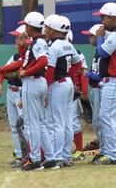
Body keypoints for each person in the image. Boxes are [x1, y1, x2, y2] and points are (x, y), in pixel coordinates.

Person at [0, 12, 58, 171]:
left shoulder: (37, 43)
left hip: (33, 82)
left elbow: (43, 61)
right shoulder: (38, 42)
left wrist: (26, 72)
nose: (25, 27)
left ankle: (36, 159)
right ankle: (50, 158)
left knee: (32, 124)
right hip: (39, 82)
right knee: (40, 123)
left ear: (30, 26)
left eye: (26, 25)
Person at [43, 15, 82, 168]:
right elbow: (78, 63)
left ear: (53, 30)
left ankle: (57, 156)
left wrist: (45, 91)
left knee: (55, 122)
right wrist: (69, 75)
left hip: (57, 84)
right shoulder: (67, 44)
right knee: (66, 121)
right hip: (67, 83)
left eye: (46, 27)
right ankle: (66, 156)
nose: (45, 30)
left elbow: (50, 71)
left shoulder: (54, 47)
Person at [0, 25, 29, 167]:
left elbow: (4, 69)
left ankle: (29, 154)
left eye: (18, 37)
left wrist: (5, 70)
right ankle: (19, 154)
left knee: (24, 125)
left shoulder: (30, 55)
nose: (16, 40)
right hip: (11, 91)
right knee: (14, 124)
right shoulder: (15, 56)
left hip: (23, 91)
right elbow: (2, 72)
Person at [91, 2, 116, 164]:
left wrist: (100, 36)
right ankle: (107, 150)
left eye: (104, 17)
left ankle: (112, 154)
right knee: (105, 117)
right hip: (109, 81)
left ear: (113, 18)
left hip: (113, 81)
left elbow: (102, 52)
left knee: (107, 117)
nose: (102, 20)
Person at [81, 24, 105, 155]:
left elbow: (102, 75)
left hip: (101, 88)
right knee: (98, 122)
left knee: (100, 121)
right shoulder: (97, 51)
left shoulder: (103, 52)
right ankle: (103, 147)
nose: (89, 38)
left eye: (91, 36)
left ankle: (106, 149)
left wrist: (88, 74)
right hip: (96, 89)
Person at [66, 30, 89, 162]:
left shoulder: (77, 53)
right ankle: (65, 150)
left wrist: (84, 91)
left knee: (73, 120)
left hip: (73, 91)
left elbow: (83, 72)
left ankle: (79, 151)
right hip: (60, 89)